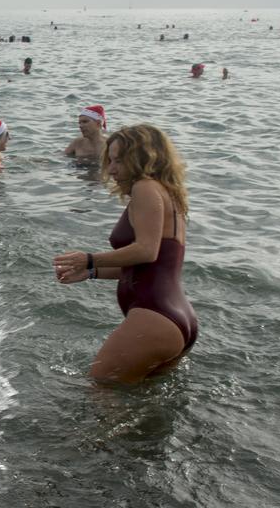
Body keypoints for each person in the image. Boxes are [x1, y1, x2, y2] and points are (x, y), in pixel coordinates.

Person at [52, 125, 197, 383]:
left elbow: (146, 251)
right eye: (110, 160)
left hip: (154, 317)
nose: (111, 169)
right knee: (139, 407)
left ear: (143, 157)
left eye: (119, 160)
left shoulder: (145, 187)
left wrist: (89, 258)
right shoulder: (169, 195)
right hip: (177, 318)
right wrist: (92, 272)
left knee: (101, 394)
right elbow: (152, 266)